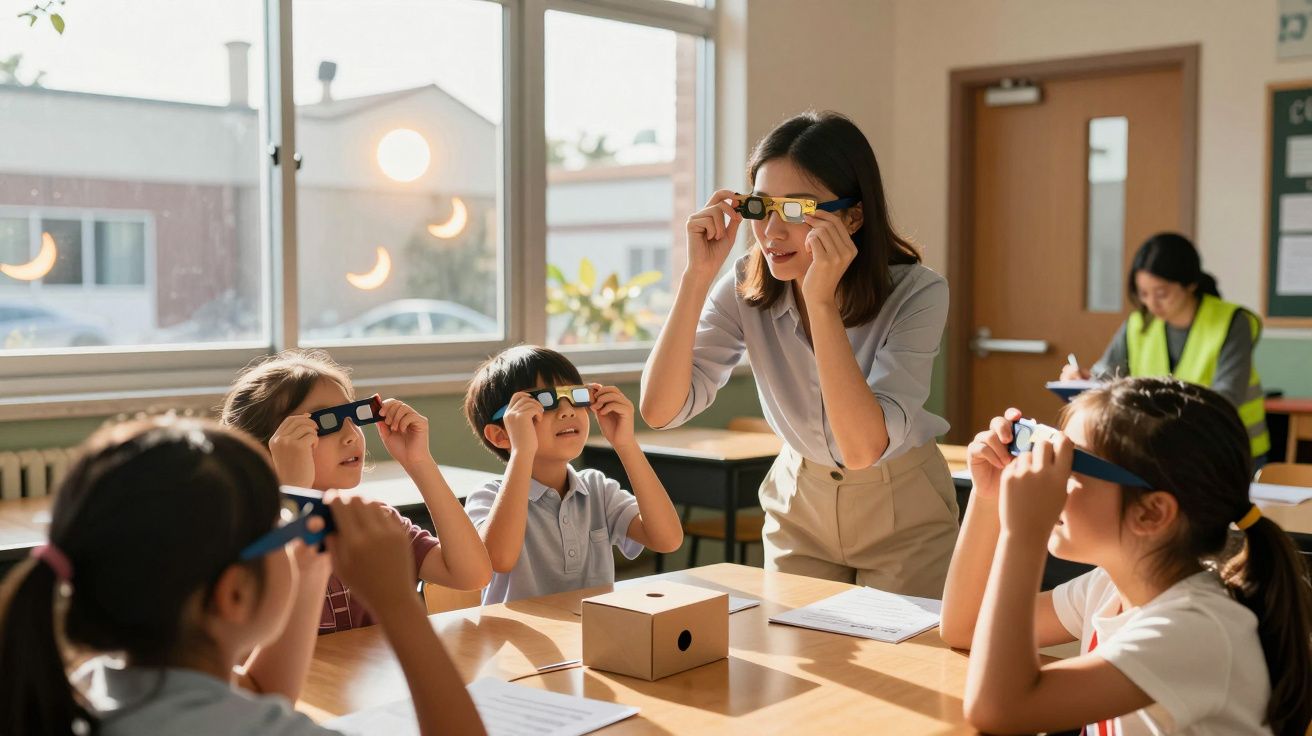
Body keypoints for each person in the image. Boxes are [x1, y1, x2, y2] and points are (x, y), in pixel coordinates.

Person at [0, 417, 485, 736]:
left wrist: (310, 567)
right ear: (233, 594)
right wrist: (398, 605)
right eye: (280, 525)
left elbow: (262, 692)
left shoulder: (90, 688)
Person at [640, 110, 957, 597]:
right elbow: (660, 411)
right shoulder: (746, 284)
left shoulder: (919, 293)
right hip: (799, 502)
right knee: (795, 661)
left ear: (853, 216)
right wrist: (696, 277)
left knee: (901, 667)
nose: (770, 231)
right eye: (760, 207)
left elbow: (861, 448)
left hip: (901, 506)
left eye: (795, 210)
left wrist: (821, 302)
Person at [941, 377, 1312, 735]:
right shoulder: (1108, 587)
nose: (1045, 476)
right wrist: (989, 497)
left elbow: (1001, 710)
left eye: (1070, 464)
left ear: (1151, 512)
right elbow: (964, 627)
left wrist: (1022, 534)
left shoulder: (1195, 628)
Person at [221, 349, 491, 633]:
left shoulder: (374, 522)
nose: (352, 435)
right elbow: (258, 620)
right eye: (327, 423)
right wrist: (292, 493)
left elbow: (472, 575)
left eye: (352, 416)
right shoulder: (242, 537)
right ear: (267, 449)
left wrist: (420, 463)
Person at [462, 345, 683, 604]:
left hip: (590, 636)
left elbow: (667, 539)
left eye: (576, 396)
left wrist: (625, 444)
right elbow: (499, 559)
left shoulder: (597, 489)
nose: (567, 410)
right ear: (501, 435)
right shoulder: (488, 496)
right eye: (543, 401)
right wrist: (522, 451)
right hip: (520, 642)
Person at [1060, 232, 1269, 460]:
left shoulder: (1231, 321)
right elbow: (1105, 375)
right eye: (1143, 294)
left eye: (1161, 293)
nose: (1151, 303)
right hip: (1162, 450)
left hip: (1227, 449)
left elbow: (1227, 397)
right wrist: (1083, 378)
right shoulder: (1139, 324)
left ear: (1190, 284)